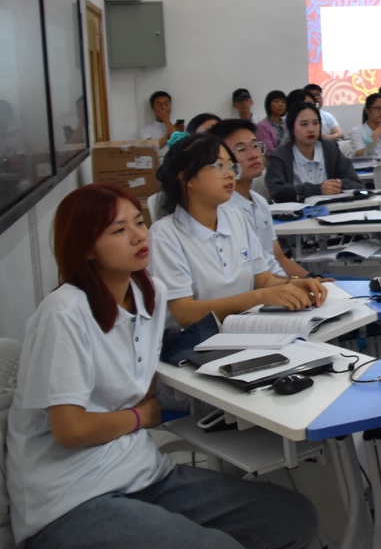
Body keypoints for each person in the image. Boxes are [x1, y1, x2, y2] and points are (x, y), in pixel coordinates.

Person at [5, 183, 318, 549]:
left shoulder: (148, 294)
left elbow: (142, 381)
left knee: (293, 517)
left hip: (142, 473)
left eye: (139, 223)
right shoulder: (64, 314)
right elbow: (71, 429)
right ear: (86, 248)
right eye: (118, 230)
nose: (139, 236)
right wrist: (140, 417)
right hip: (70, 497)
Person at [151, 134, 326, 326]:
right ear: (186, 178)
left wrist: (293, 284)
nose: (229, 174)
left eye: (230, 166)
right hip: (199, 340)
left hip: (246, 328)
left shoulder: (235, 218)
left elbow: (264, 281)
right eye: (218, 165)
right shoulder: (165, 235)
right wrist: (259, 297)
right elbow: (185, 313)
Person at [209, 119, 316, 281]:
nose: (253, 155)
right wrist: (297, 285)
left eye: (255, 146)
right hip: (266, 290)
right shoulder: (224, 210)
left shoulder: (259, 201)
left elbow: (279, 258)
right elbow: (248, 277)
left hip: (283, 285)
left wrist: (312, 278)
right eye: (241, 149)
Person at [264, 102, 361, 202]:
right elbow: (276, 191)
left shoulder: (330, 149)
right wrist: (317, 189)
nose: (311, 129)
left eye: (315, 123)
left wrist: (339, 184)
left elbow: (355, 182)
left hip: (332, 208)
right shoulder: (279, 156)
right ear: (291, 128)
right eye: (304, 124)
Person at [349, 93, 381, 158]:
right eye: (377, 108)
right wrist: (375, 135)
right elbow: (364, 156)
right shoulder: (356, 132)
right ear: (367, 110)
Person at [257, 89, 287, 154]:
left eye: (283, 102)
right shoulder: (262, 126)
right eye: (276, 101)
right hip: (274, 159)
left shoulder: (287, 123)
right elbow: (268, 151)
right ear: (269, 104)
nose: (280, 104)